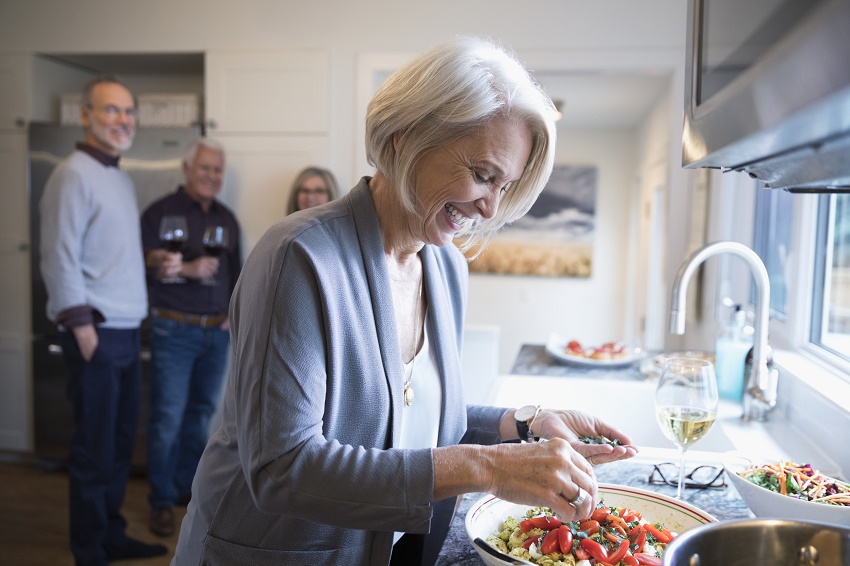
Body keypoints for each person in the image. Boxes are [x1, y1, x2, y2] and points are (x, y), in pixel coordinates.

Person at [172, 37, 638, 566]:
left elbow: (410, 412)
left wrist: (526, 423)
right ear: (404, 138)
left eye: (504, 188)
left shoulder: (445, 267)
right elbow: (282, 467)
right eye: (483, 175)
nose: (490, 207)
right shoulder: (300, 259)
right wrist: (488, 467)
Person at [39, 76, 167, 565]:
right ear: (85, 115)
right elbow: (58, 255)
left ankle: (111, 535)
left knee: (117, 445)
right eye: (111, 111)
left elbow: (104, 254)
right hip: (95, 333)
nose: (123, 120)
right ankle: (89, 550)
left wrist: (150, 261)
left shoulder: (116, 175)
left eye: (129, 112)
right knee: (94, 450)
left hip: (124, 330)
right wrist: (82, 328)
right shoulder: (72, 173)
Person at [140, 137, 242, 538]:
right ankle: (161, 501)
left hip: (216, 334)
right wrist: (186, 268)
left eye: (217, 170)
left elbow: (236, 273)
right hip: (173, 327)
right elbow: (149, 264)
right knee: (167, 417)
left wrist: (233, 314)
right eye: (205, 168)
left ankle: (186, 489)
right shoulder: (160, 213)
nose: (212, 176)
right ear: (187, 169)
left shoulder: (227, 218)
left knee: (201, 415)